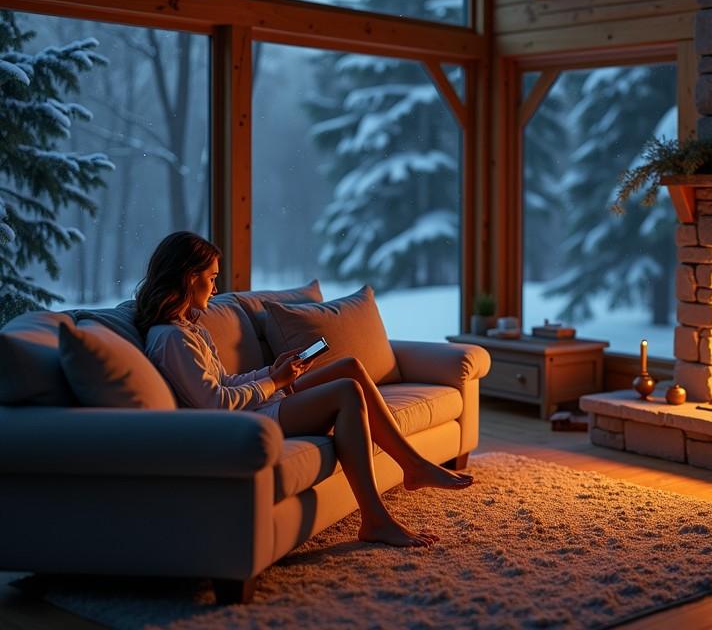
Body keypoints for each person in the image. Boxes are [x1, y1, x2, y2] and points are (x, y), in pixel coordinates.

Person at [136, 231, 472, 548]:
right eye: (211, 278)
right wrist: (275, 383)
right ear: (190, 277)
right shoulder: (171, 339)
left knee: (349, 366)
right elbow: (216, 403)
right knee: (346, 392)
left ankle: (412, 465)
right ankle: (375, 519)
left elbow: (224, 382)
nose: (214, 286)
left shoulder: (189, 328)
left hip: (254, 406)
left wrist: (273, 371)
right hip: (241, 424)